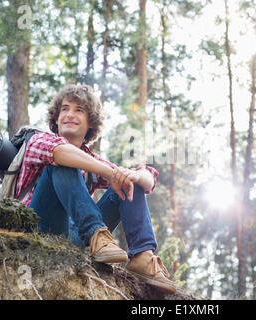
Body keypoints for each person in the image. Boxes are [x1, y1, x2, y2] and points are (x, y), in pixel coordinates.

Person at [15, 84, 176, 294]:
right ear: (56, 117)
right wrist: (111, 174)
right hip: (39, 226)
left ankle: (142, 257)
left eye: (79, 110)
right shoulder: (37, 140)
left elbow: (148, 178)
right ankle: (96, 236)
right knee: (63, 162)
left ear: (91, 122)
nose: (69, 115)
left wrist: (133, 175)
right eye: (64, 109)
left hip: (76, 236)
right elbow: (60, 152)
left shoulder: (91, 160)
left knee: (129, 180)